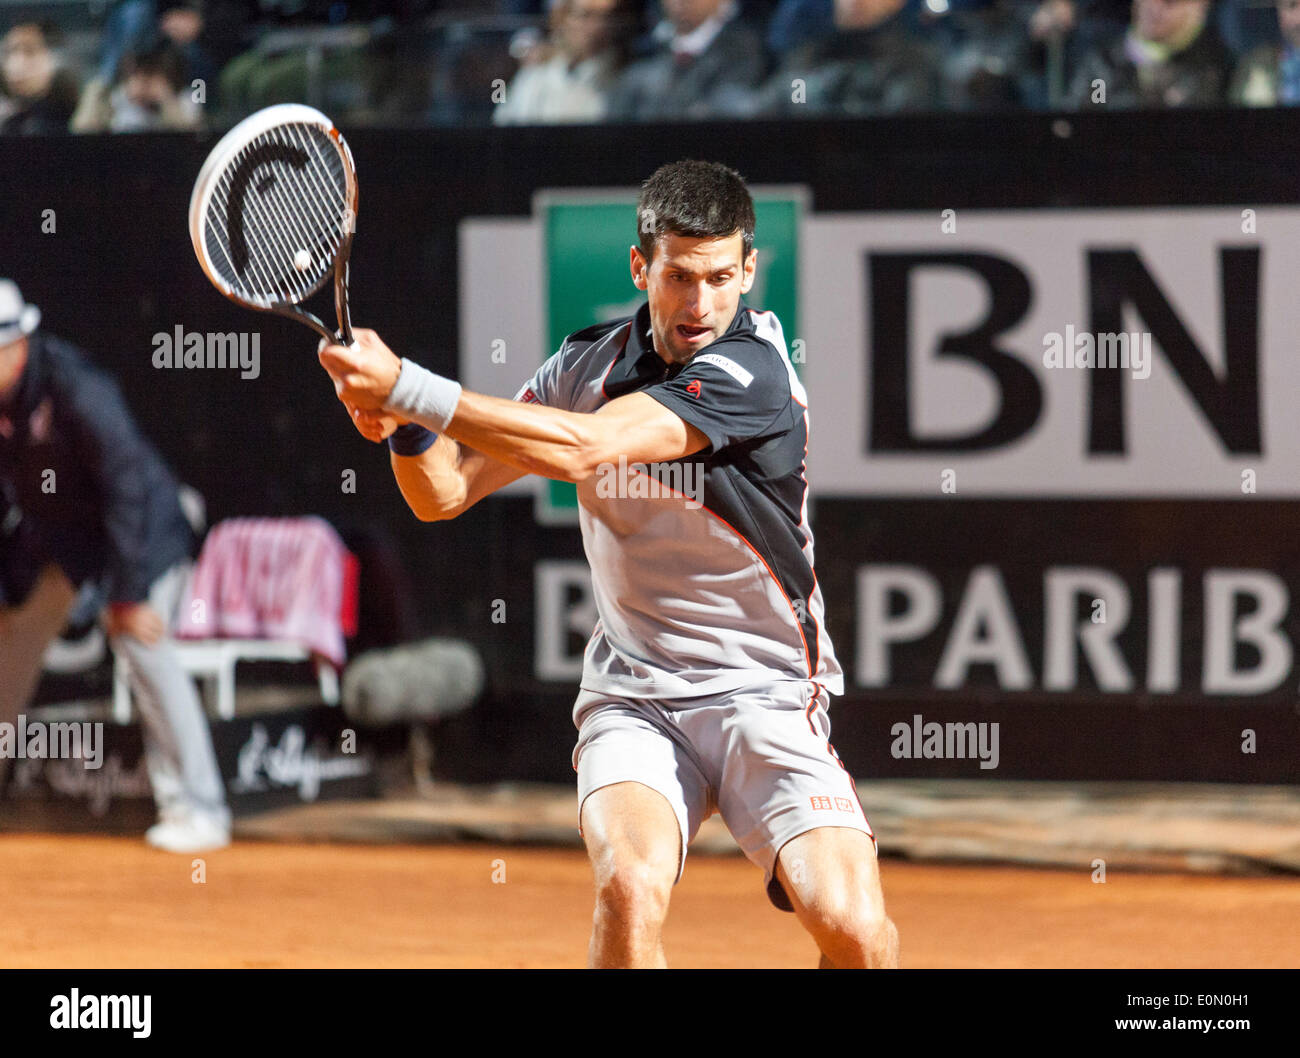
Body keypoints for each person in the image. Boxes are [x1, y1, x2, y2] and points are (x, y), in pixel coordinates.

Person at [318, 160, 899, 968]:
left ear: (749, 271)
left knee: (856, 933)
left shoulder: (754, 371)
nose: (700, 303)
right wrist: (405, 429)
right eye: (679, 276)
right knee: (628, 887)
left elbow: (588, 446)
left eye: (721, 277)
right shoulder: (580, 367)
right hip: (636, 696)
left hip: (764, 694)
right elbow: (442, 493)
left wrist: (411, 388)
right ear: (641, 268)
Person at [0, 280, 230, 853]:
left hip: (144, 535)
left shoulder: (77, 387)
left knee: (144, 646)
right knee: (10, 646)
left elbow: (128, 486)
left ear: (17, 344)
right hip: (67, 544)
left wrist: (127, 596)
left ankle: (200, 810)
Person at [1066, 0, 1232, 108]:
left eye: (1169, 3)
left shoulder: (1214, 66)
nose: (1154, 7)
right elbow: (1089, 114)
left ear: (1199, 7)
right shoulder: (1102, 65)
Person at [492, 0, 633, 125]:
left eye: (606, 17)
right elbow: (505, 125)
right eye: (585, 15)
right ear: (562, 20)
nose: (597, 27)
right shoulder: (535, 76)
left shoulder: (630, 79)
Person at [0, 21, 80, 135]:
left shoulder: (74, 120)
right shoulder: (11, 123)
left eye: (30, 51)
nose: (16, 63)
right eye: (9, 52)